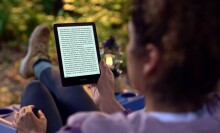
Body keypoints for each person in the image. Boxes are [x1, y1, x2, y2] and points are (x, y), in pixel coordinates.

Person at [14, 0, 220, 133]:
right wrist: (107, 100)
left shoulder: (85, 127)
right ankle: (38, 62)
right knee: (55, 86)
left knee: (35, 89)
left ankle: (38, 62)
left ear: (150, 60)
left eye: (130, 41)